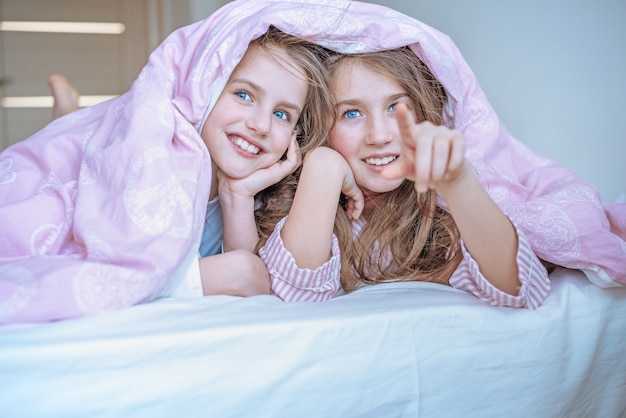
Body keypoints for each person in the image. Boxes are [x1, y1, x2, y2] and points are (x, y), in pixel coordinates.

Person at [0, 15, 332, 323]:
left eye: (282, 114)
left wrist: (237, 196)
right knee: (88, 148)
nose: (260, 124)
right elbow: (110, 254)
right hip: (107, 160)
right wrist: (221, 275)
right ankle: (68, 111)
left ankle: (67, 109)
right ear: (204, 93)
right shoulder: (158, 158)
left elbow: (249, 292)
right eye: (244, 95)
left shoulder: (263, 188)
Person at [258, 47, 551, 308]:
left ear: (425, 115)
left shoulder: (439, 216)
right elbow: (295, 297)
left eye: (396, 108)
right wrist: (323, 167)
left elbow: (523, 290)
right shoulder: (308, 199)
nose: (379, 136)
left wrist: (458, 183)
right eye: (351, 114)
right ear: (321, 127)